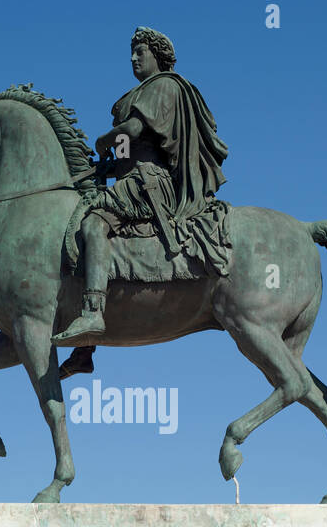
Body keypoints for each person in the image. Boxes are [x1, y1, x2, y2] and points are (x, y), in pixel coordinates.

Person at [53, 27, 230, 344]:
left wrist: (104, 140)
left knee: (92, 224)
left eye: (141, 52)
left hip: (147, 181)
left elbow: (133, 130)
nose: (134, 58)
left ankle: (93, 311)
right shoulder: (138, 93)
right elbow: (127, 148)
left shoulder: (163, 86)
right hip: (129, 176)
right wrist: (105, 165)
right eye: (132, 53)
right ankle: (85, 350)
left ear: (158, 56)